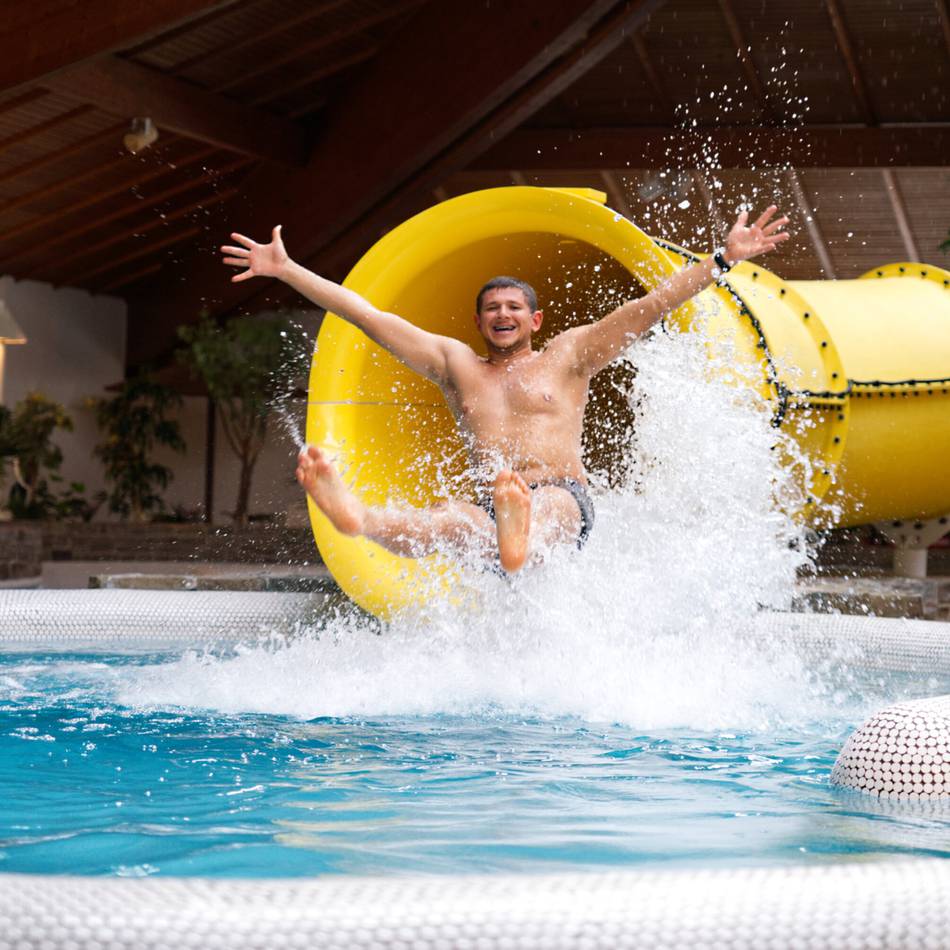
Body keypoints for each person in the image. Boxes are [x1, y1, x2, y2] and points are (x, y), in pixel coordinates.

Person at [221, 206, 788, 573]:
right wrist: (289, 271)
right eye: (491, 308)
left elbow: (650, 307)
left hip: (563, 499)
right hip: (493, 511)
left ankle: (519, 539)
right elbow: (368, 316)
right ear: (479, 322)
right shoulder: (456, 365)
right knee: (448, 522)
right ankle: (358, 520)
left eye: (514, 306)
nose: (503, 314)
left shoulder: (569, 355)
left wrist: (722, 260)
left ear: (534, 321)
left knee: (547, 507)